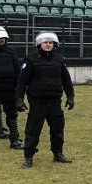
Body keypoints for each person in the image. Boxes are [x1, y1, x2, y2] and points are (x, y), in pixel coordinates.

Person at [16, 31, 75, 168]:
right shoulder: (30, 60)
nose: (48, 45)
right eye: (45, 42)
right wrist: (19, 99)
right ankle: (28, 157)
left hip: (55, 101)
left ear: (55, 44)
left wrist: (71, 97)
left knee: (57, 129)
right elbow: (22, 82)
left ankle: (58, 154)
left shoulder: (59, 60)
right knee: (33, 130)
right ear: (39, 44)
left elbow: (66, 81)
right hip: (37, 102)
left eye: (50, 42)